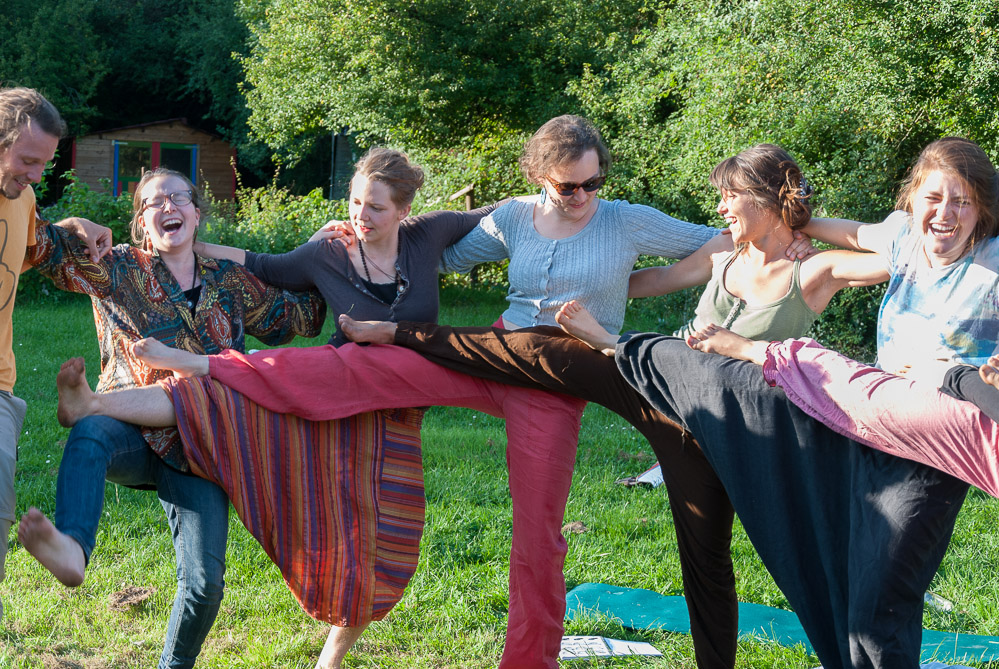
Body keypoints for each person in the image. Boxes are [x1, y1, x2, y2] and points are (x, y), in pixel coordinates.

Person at [65, 143, 840, 669]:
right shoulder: (502, 218)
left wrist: (792, 232)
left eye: (588, 184)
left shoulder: (614, 219)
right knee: (344, 367)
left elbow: (715, 238)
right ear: (540, 179)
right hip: (488, 350)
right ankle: (201, 372)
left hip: (557, 378)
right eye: (564, 185)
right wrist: (208, 249)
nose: (577, 197)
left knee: (537, 531)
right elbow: (294, 258)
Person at [246, 139, 986, 668]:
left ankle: (473, 340)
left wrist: (805, 229)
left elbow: (888, 253)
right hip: (661, 393)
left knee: (742, 547)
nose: (720, 208)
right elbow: (642, 279)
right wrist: (369, 233)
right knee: (698, 550)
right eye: (566, 186)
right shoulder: (703, 250)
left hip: (740, 414)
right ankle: (253, 376)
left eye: (731, 197)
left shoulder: (796, 262)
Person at [17, 166, 326, 668]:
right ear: (141, 223)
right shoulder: (116, 267)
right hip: (131, 432)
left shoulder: (229, 280)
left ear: (197, 213)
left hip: (199, 446)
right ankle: (71, 547)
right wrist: (75, 224)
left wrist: (327, 254)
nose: (167, 208)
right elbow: (41, 247)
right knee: (89, 429)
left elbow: (301, 316)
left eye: (178, 198)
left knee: (204, 586)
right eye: (153, 203)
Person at [0, 87, 113, 622]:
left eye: (43, 163)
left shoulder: (21, 199)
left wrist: (73, 227)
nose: (35, 174)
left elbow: (35, 245)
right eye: (27, 160)